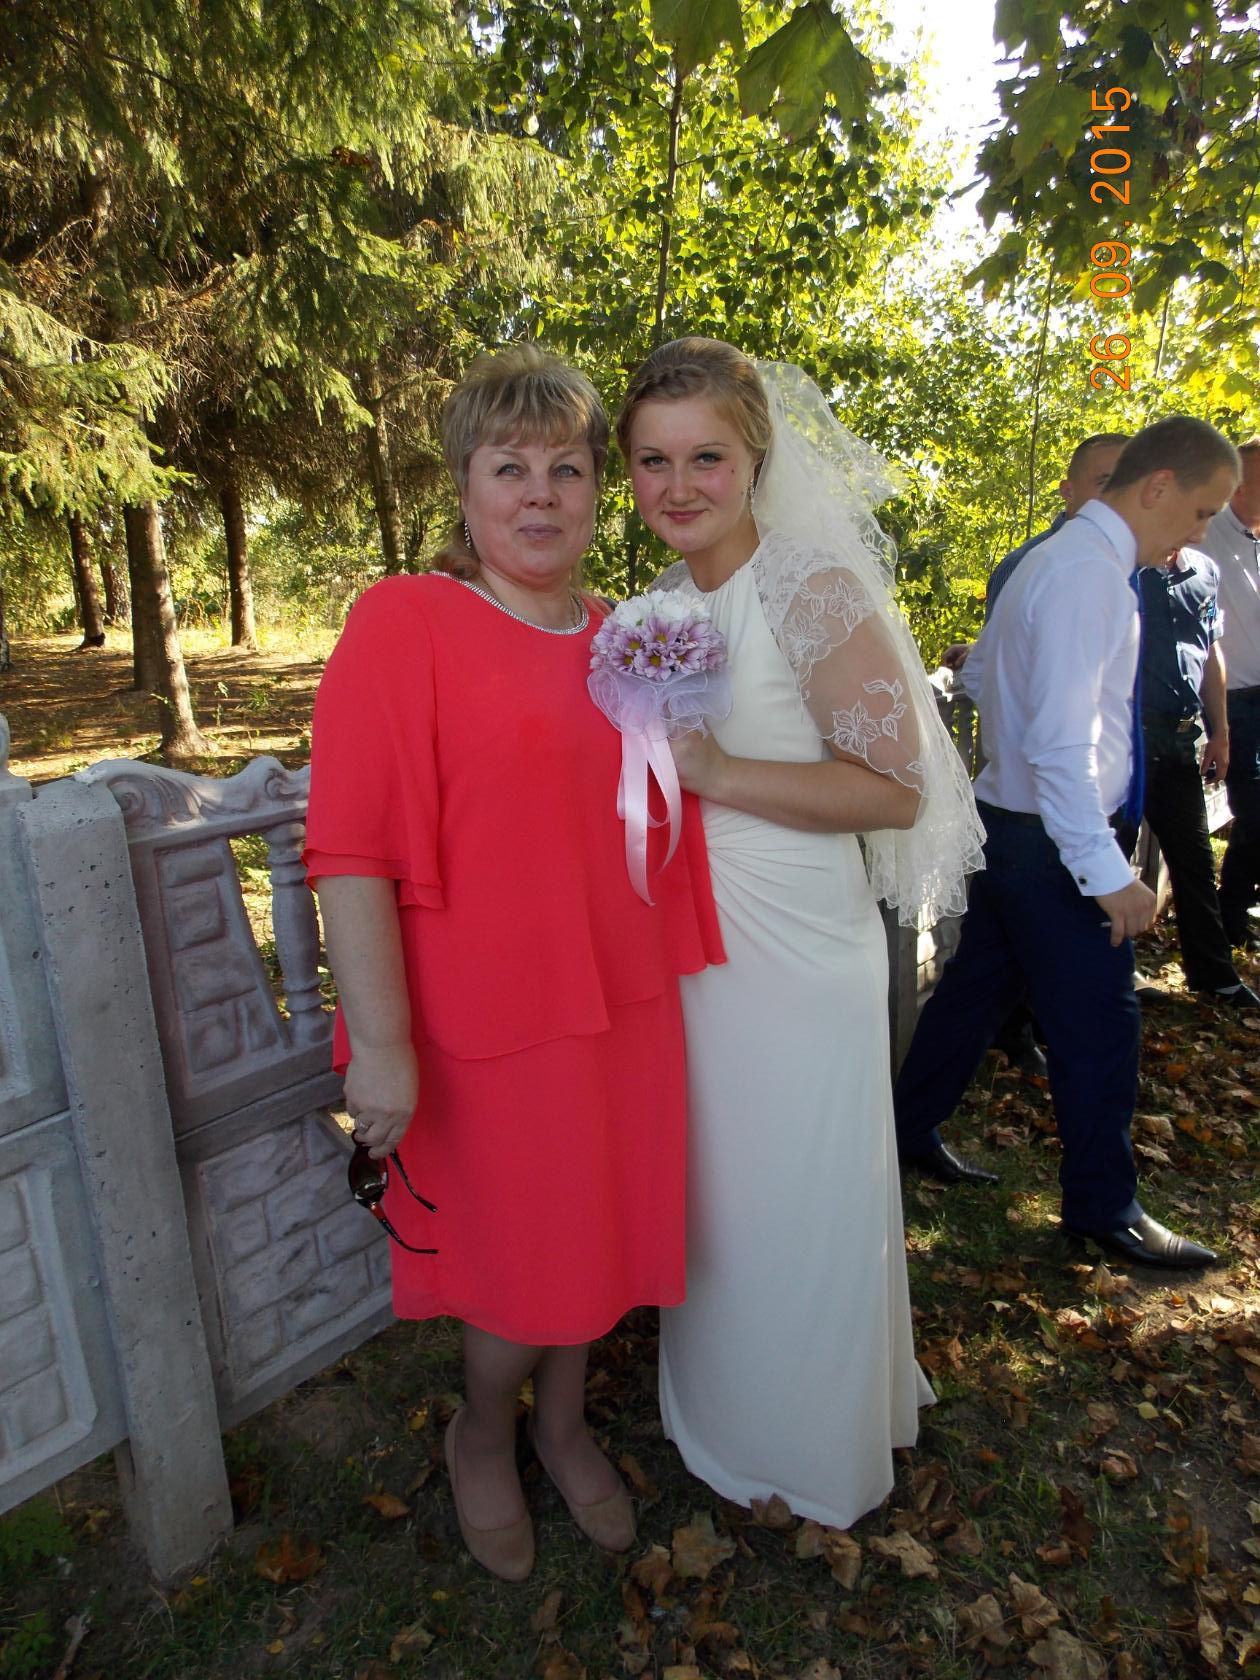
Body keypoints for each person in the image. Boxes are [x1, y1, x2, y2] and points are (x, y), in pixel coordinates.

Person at [304, 347, 724, 1582]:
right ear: (465, 487)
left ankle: (563, 1423)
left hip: (620, 1001)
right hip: (482, 1017)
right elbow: (351, 847)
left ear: (600, 489)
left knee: (594, 1237)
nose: (540, 494)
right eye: (510, 468)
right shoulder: (406, 621)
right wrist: (381, 1047)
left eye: (568, 468)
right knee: (516, 1264)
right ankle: (484, 1432)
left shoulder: (626, 634)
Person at [617, 338, 985, 1528]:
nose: (680, 485)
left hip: (799, 948)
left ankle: (814, 1436)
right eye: (653, 460)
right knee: (724, 1189)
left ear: (755, 458)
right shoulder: (658, 607)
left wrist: (719, 773)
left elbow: (895, 791)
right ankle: (732, 1405)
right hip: (697, 950)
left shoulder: (809, 588)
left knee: (801, 1188)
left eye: (707, 458)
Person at [894, 417, 1241, 1269]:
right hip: (1054, 842)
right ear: (1157, 486)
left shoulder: (1053, 559)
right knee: (1099, 1027)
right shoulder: (1087, 575)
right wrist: (1106, 871)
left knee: (971, 997)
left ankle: (902, 1130)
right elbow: (1060, 746)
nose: (1201, 534)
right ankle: (1103, 1206)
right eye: (1202, 512)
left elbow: (983, 675)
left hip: (1017, 830)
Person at [1119, 546, 1257, 1008]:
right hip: (1127, 742)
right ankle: (1103, 976)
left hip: (1181, 742)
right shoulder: (1122, 568)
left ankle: (1214, 975)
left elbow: (1211, 651)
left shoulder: (1204, 571)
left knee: (1195, 862)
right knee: (1109, 859)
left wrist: (1221, 732)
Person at [1198, 438, 1260, 950]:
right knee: (1255, 813)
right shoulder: (1207, 532)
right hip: (1234, 701)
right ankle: (1229, 916)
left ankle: (1233, 913)